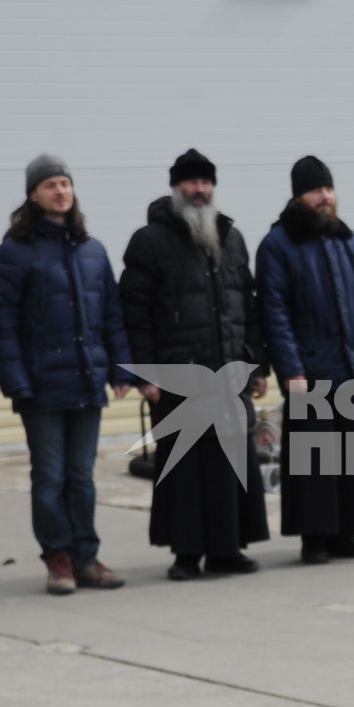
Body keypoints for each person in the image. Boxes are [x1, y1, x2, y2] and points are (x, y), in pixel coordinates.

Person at [119, 148, 268, 580]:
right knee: (184, 469)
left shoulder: (230, 237)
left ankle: (226, 550)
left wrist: (256, 366)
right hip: (177, 375)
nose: (199, 190)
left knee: (229, 465)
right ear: (176, 187)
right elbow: (135, 312)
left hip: (227, 373)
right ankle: (186, 555)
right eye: (191, 182)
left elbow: (248, 304)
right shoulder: (149, 241)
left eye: (205, 182)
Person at [0, 153, 133, 595]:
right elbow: (4, 324)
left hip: (87, 380)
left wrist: (120, 368)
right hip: (41, 386)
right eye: (50, 185)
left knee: (82, 477)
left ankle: (87, 557)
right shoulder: (15, 251)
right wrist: (17, 382)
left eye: (65, 184)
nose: (60, 191)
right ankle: (59, 559)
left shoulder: (92, 250)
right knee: (49, 477)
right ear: (34, 194)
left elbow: (111, 314)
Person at [254, 155, 354, 565]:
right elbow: (274, 314)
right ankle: (314, 538)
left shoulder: (349, 242)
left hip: (352, 365)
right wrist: (291, 370)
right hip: (309, 371)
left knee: (352, 456)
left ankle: (347, 534)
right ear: (299, 196)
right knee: (313, 462)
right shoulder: (278, 245)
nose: (326, 197)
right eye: (317, 190)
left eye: (329, 189)